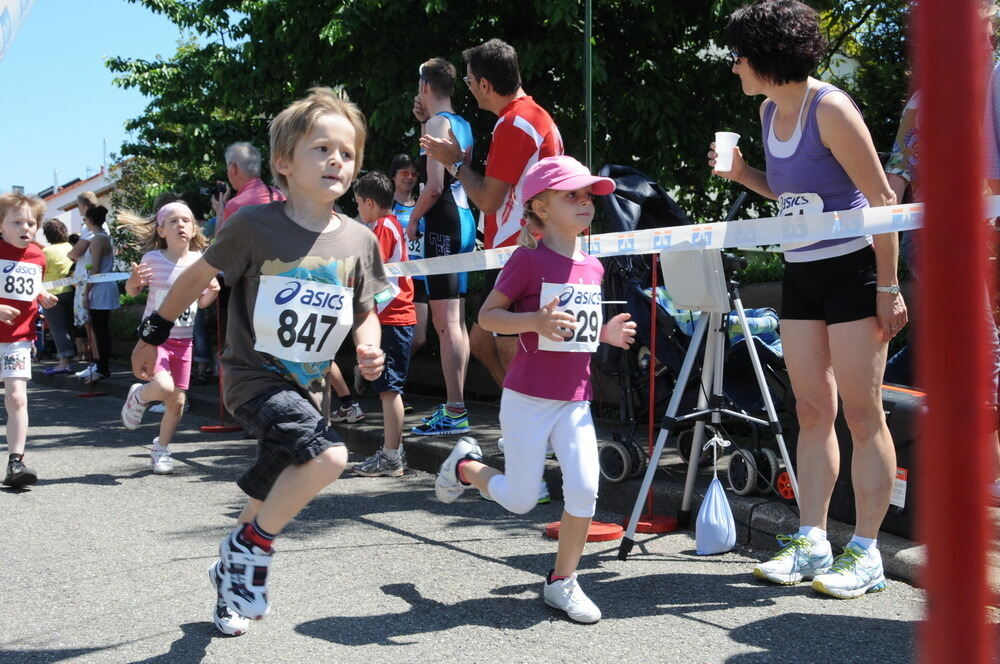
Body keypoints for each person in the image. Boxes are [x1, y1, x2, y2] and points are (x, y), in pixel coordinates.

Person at [130, 87, 388, 635]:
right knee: (331, 457)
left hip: (309, 388)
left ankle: (230, 577)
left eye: (347, 153)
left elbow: (365, 309)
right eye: (321, 148)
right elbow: (198, 277)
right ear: (283, 163)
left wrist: (370, 345)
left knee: (268, 487)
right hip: (253, 380)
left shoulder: (360, 240)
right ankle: (250, 550)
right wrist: (152, 333)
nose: (336, 160)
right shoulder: (254, 227)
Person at [708, 0, 908, 599]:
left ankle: (868, 553)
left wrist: (889, 285)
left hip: (853, 272)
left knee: (861, 412)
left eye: (739, 55)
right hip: (801, 274)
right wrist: (743, 171)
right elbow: (789, 194)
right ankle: (813, 538)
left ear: (766, 57)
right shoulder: (771, 111)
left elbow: (881, 201)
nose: (734, 66)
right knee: (812, 409)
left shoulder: (831, 108)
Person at [434, 156, 636, 623]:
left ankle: (562, 582)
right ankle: (465, 467)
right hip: (526, 399)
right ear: (541, 208)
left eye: (589, 195)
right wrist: (533, 321)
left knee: (585, 488)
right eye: (573, 194)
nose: (586, 201)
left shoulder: (594, 267)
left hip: (575, 401)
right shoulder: (527, 259)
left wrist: (602, 334)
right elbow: (487, 318)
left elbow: (575, 330)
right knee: (522, 499)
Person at [421, 38, 564, 393]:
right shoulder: (528, 117)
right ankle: (518, 414)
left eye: (469, 82)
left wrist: (453, 162)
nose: (469, 90)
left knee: (503, 343)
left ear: (485, 84)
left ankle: (527, 423)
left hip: (522, 251)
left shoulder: (517, 123)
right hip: (523, 248)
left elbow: (486, 199)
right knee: (481, 341)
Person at [118, 202, 219, 474]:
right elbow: (133, 289)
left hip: (184, 340)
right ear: (161, 230)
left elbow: (204, 302)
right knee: (162, 387)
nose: (181, 225)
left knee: (177, 402)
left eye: (186, 220)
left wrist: (212, 291)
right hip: (155, 339)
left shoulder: (201, 261)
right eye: (173, 221)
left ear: (195, 228)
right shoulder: (153, 259)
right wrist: (133, 279)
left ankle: (161, 448)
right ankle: (139, 396)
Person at [408, 57, 476, 436]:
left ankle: (455, 410)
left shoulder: (438, 123)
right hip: (462, 220)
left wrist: (414, 218)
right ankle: (456, 406)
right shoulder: (460, 122)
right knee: (455, 321)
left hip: (442, 222)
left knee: (446, 323)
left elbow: (434, 186)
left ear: (424, 87)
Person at [352, 171, 417, 476]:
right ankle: (391, 453)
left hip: (392, 316)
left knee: (389, 388)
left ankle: (392, 455)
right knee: (388, 387)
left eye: (358, 204)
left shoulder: (383, 228)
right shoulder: (390, 225)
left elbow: (374, 275)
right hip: (393, 315)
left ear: (368, 202)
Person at [0, 193, 58, 486]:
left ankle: (15, 463)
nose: (26, 228)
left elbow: (33, 286)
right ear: (1, 225)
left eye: (31, 223)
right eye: (17, 222)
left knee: (16, 397)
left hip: (18, 339)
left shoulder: (38, 255)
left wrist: (43, 295)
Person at [390, 153, 428, 364]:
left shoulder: (423, 204)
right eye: (404, 172)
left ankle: (389, 370)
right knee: (390, 334)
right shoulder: (385, 204)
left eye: (414, 174)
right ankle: (388, 382)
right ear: (394, 176)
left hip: (419, 279)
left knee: (418, 338)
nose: (410, 177)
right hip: (392, 280)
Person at [80, 205, 120, 383]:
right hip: (105, 286)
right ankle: (102, 365)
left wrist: (86, 292)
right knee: (101, 328)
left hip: (99, 287)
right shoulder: (105, 238)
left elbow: (94, 269)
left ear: (89, 220)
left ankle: (102, 367)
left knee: (99, 329)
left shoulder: (97, 240)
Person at [211, 142, 287, 231]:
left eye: (227, 169)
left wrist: (220, 212)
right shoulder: (280, 195)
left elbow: (221, 243)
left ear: (233, 169)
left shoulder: (235, 206)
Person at [40, 219, 76, 374]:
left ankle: (63, 362)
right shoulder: (71, 247)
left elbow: (41, 272)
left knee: (57, 328)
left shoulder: (46, 251)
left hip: (52, 294)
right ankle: (73, 357)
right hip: (71, 290)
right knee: (69, 326)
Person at [68, 192, 98, 378]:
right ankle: (94, 362)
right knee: (89, 324)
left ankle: (95, 362)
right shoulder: (93, 227)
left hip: (87, 280)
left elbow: (74, 253)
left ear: (84, 207)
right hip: (86, 279)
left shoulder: (90, 228)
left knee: (90, 324)